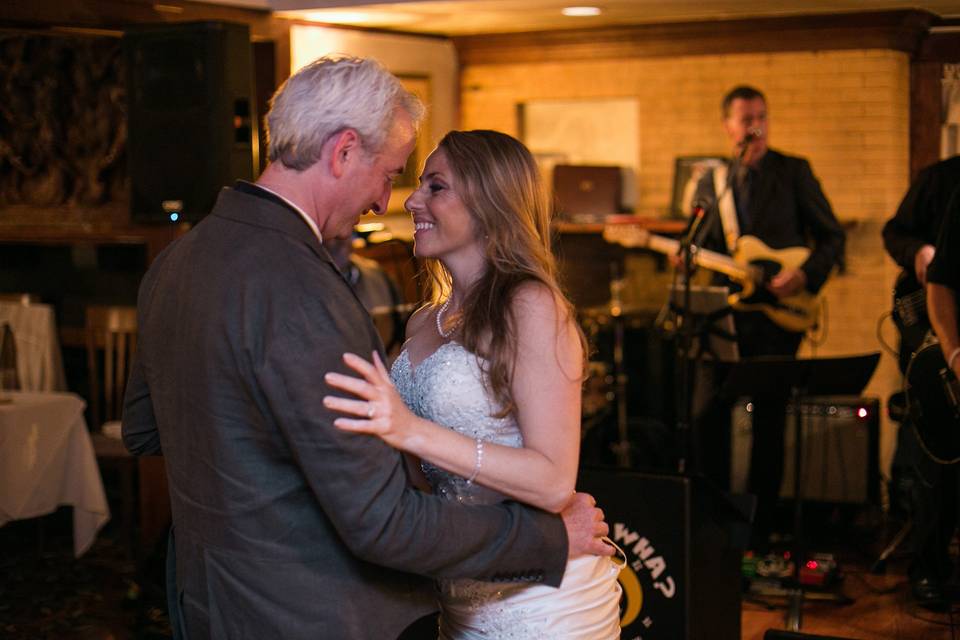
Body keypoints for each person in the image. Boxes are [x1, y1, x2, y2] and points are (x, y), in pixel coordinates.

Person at [121, 56, 611, 640]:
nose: (387, 202)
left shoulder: (177, 260)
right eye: (391, 173)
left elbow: (146, 429)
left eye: (429, 184)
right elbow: (379, 519)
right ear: (344, 150)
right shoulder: (307, 289)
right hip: (311, 608)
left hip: (209, 594)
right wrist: (546, 538)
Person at [323, 129, 624, 638]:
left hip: (542, 604)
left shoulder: (530, 307)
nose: (413, 200)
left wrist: (409, 431)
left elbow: (553, 481)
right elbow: (415, 473)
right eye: (418, 184)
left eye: (435, 187)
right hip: (462, 586)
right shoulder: (424, 322)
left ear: (491, 202)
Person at [689, 85, 845, 549]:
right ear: (728, 126)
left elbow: (832, 237)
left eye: (761, 117)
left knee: (769, 425)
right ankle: (713, 522)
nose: (755, 126)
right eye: (745, 119)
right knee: (706, 416)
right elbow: (707, 247)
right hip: (728, 318)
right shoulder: (711, 181)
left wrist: (805, 275)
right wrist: (689, 259)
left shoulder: (794, 172)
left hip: (779, 317)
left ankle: (762, 528)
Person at [882, 156, 960, 609]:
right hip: (937, 335)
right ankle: (928, 564)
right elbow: (894, 233)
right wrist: (919, 253)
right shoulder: (941, 179)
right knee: (937, 454)